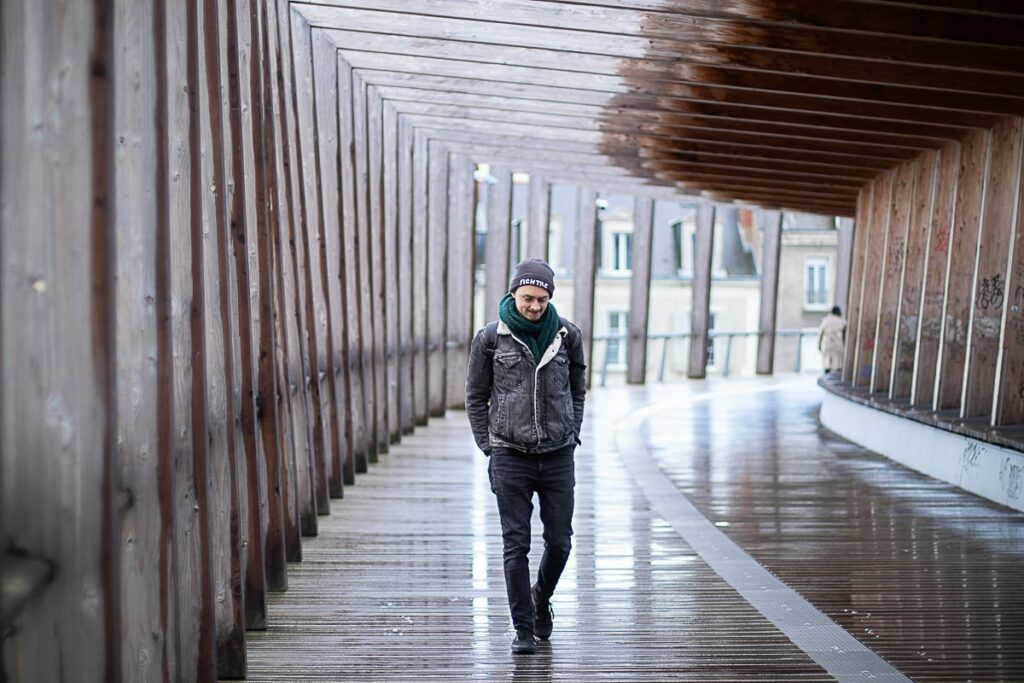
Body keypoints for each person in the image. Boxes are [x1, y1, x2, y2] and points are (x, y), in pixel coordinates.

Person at [465, 258, 587, 655]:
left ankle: (540, 597)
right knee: (515, 544)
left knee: (561, 542)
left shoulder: (568, 335)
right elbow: (475, 396)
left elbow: (577, 388)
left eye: (541, 298)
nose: (534, 306)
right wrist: (490, 446)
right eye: (527, 297)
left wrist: (572, 431)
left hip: (557, 454)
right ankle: (522, 628)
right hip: (510, 454)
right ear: (513, 293)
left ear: (551, 297)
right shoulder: (489, 338)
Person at [818, 305, 846, 374]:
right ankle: (837, 371)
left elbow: (820, 333)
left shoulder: (826, 320)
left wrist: (819, 345)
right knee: (837, 361)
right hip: (838, 343)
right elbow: (845, 328)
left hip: (827, 343)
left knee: (827, 361)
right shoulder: (841, 321)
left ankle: (827, 370)